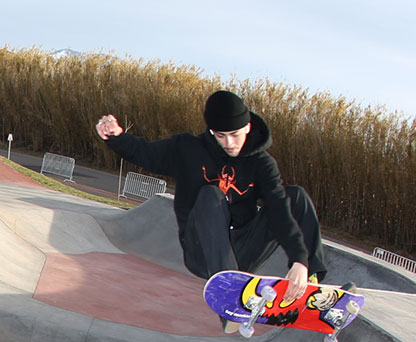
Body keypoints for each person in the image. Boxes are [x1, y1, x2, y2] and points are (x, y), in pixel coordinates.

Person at [95, 90, 328, 300]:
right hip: (201, 252)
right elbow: (147, 153)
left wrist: (299, 259)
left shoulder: (262, 164)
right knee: (210, 195)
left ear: (248, 126)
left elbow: (278, 210)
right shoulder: (188, 148)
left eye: (235, 134)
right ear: (211, 131)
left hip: (241, 252)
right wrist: (117, 137)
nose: (229, 143)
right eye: (220, 135)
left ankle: (311, 283)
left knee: (295, 196)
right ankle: (228, 291)